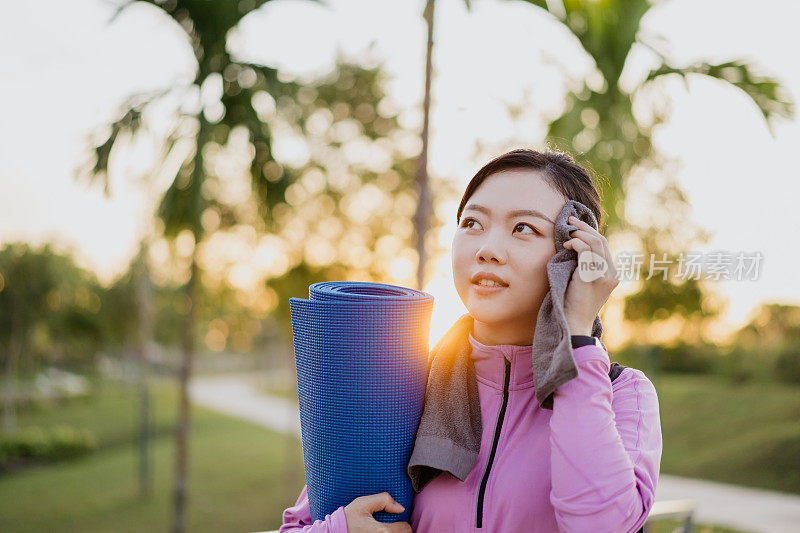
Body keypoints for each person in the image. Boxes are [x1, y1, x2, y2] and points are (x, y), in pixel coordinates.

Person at [280, 148, 662, 532]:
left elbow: (601, 525)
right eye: (472, 223)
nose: (487, 250)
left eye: (523, 228)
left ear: (575, 252)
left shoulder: (621, 395)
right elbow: (300, 525)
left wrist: (577, 336)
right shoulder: (398, 387)